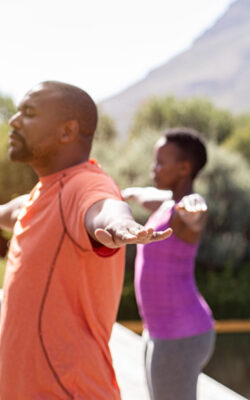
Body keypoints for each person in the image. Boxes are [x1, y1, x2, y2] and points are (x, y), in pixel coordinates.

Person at [0, 81, 172, 399]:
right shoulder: (44, 193)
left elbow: (105, 208)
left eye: (29, 113)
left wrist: (121, 225)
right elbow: (12, 210)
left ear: (67, 131)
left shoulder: (85, 185)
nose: (14, 120)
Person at [122, 127, 215, 400]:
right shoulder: (165, 203)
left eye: (161, 162)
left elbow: (195, 214)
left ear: (184, 168)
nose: (154, 168)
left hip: (180, 334)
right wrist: (127, 192)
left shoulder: (183, 211)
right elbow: (146, 195)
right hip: (160, 330)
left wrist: (194, 211)